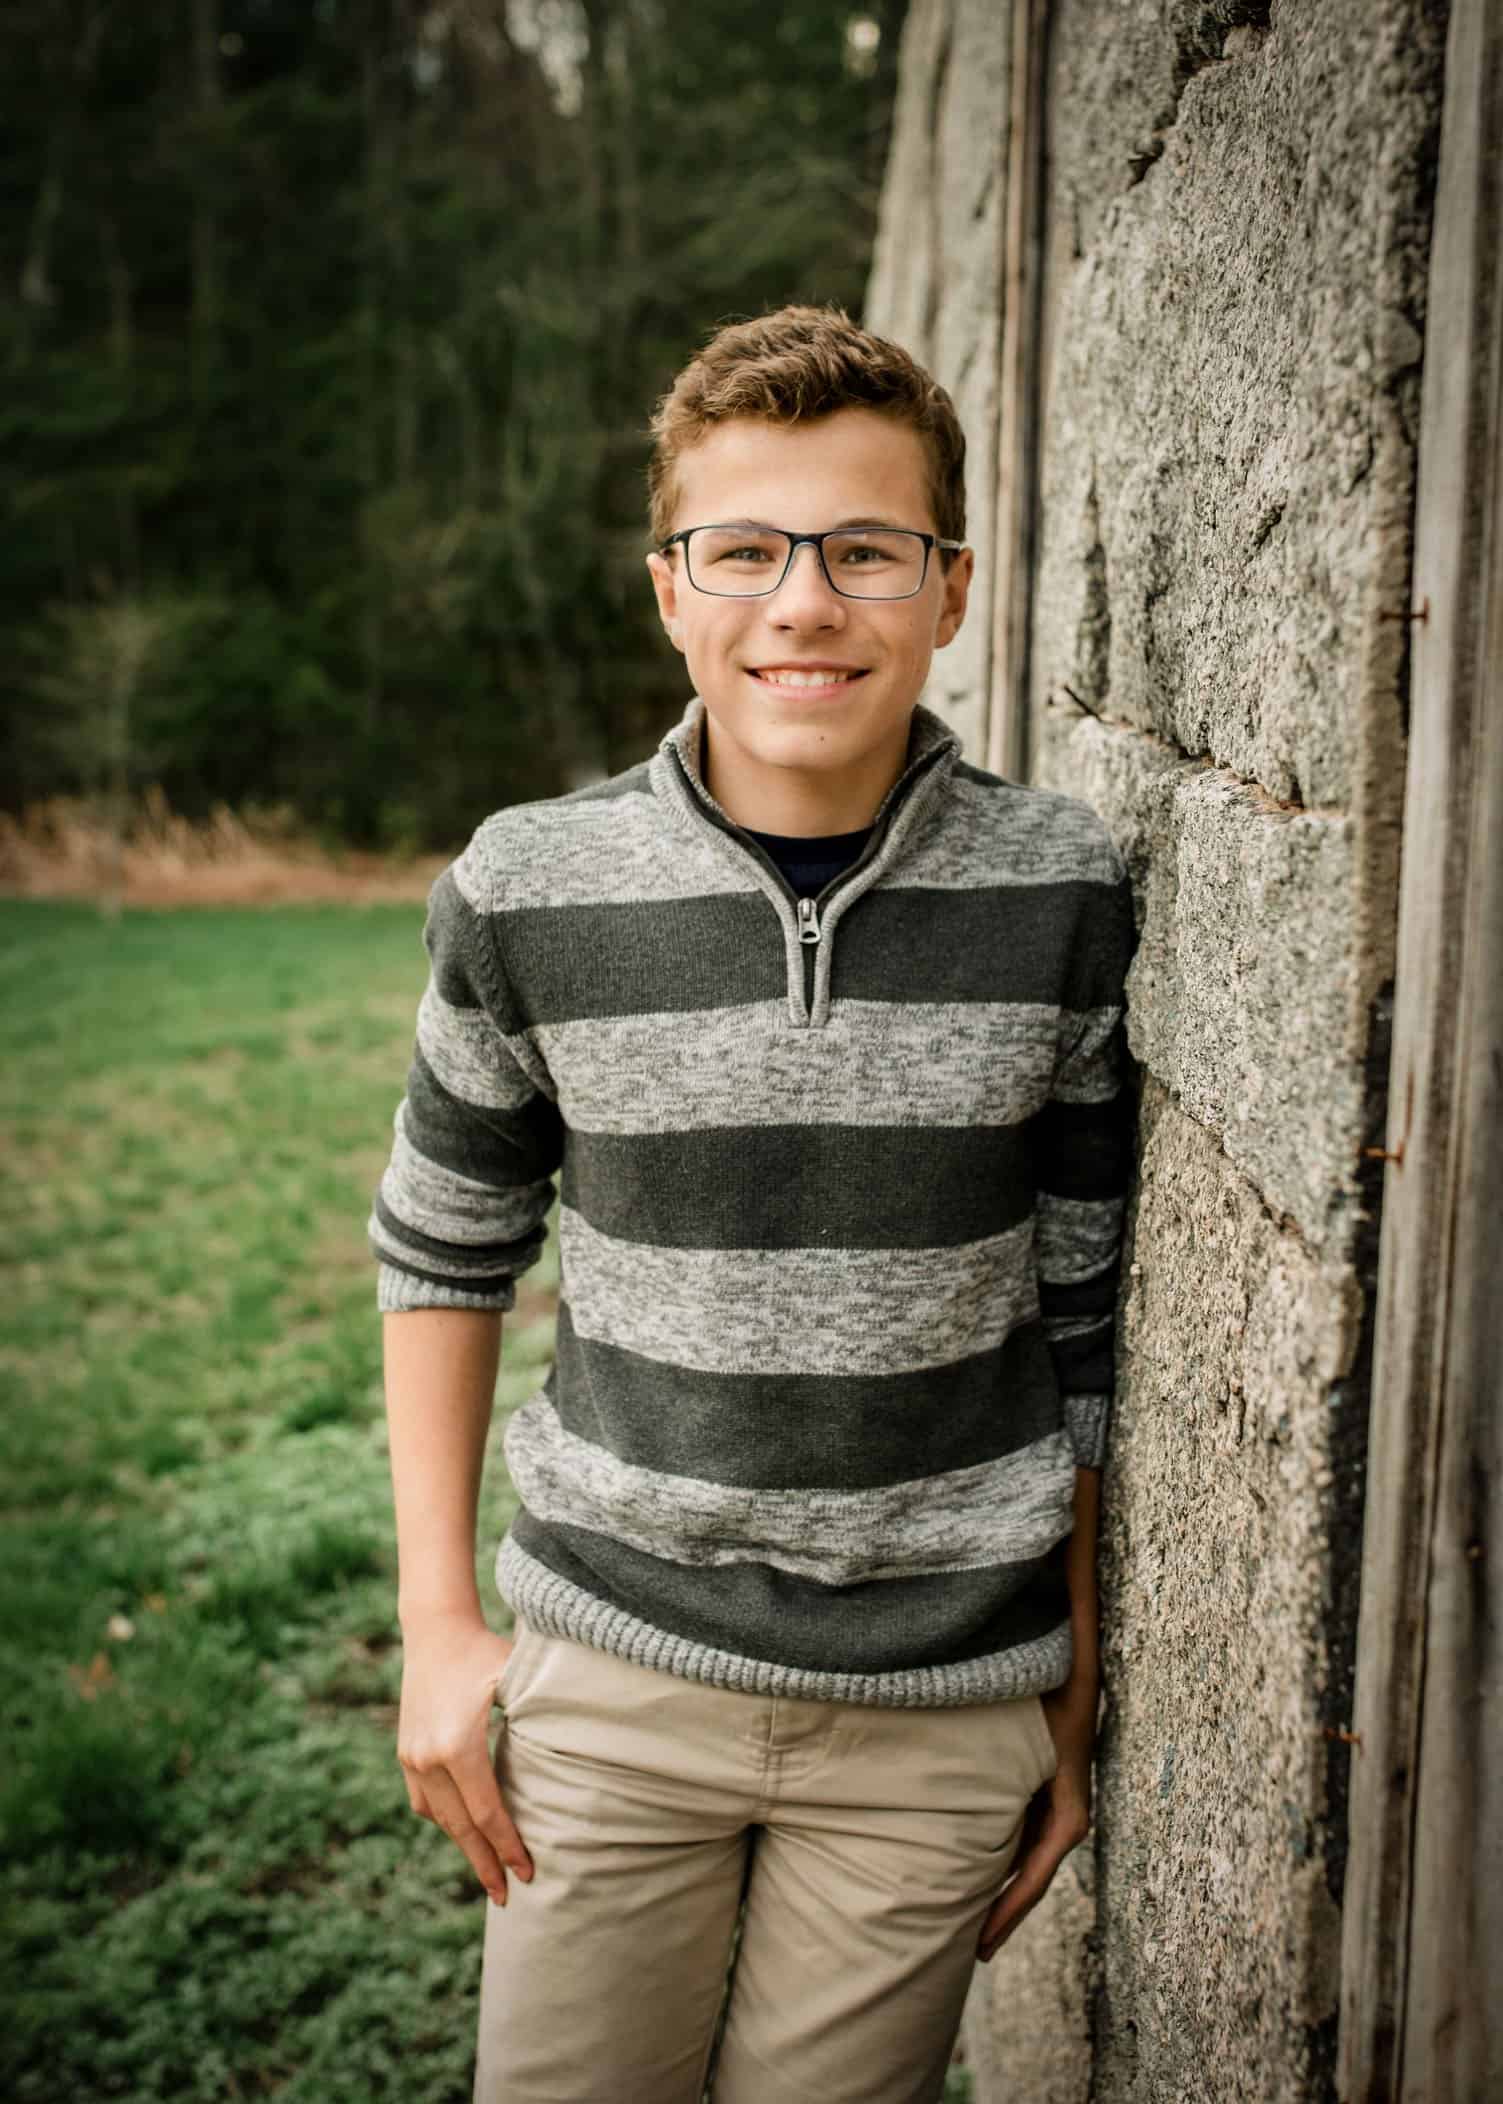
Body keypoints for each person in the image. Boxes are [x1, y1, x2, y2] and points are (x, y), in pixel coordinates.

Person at [369, 302, 1138, 2104]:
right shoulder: (527, 888)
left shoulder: (1071, 891)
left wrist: (1071, 1686)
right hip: (614, 1677)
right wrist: (438, 1632)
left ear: (949, 589)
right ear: (670, 589)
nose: (804, 603)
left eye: (865, 551)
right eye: (746, 550)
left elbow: (1090, 1312)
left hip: (943, 1709)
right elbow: (441, 1248)